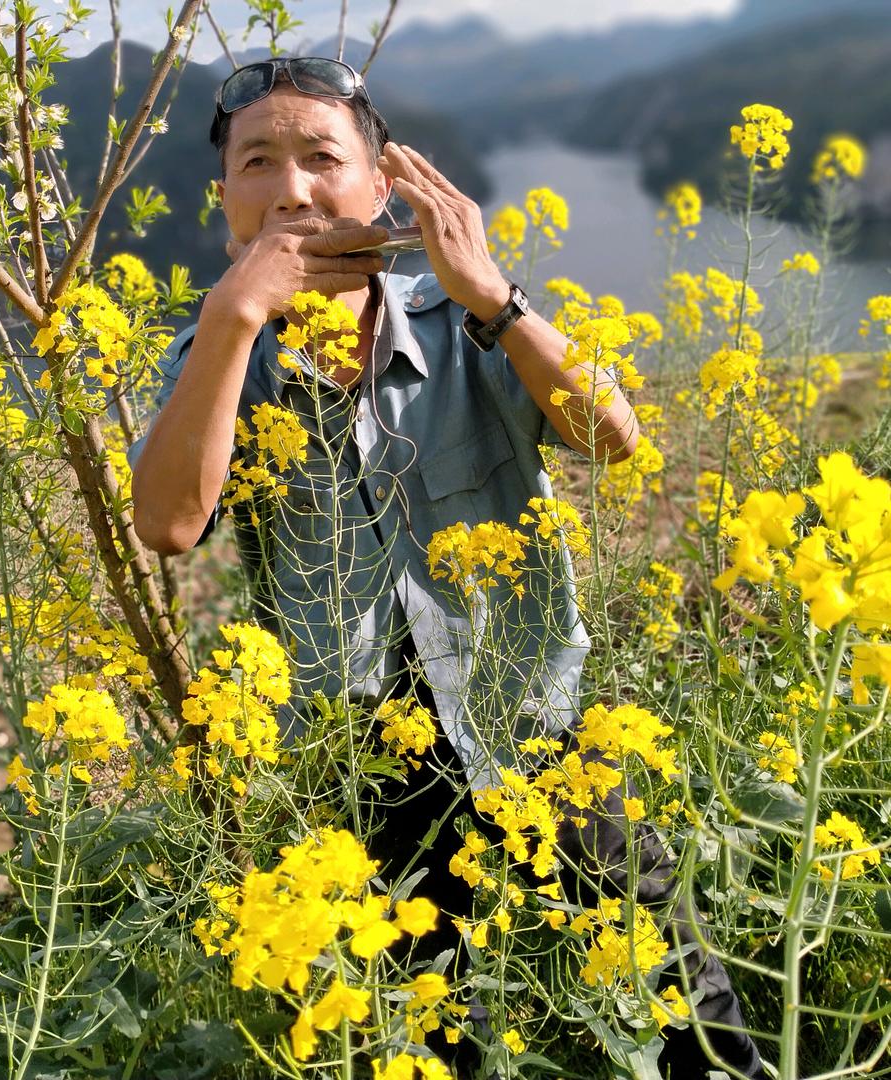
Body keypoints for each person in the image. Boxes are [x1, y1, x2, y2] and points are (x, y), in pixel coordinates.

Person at [129, 55, 768, 1080]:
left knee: (678, 985)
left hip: (536, 720)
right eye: (258, 162)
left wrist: (496, 297)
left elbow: (614, 439)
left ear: (380, 184)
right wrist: (232, 321)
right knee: (425, 1032)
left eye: (321, 157)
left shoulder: (465, 320)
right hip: (367, 767)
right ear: (227, 202)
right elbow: (167, 524)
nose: (292, 189)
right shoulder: (213, 356)